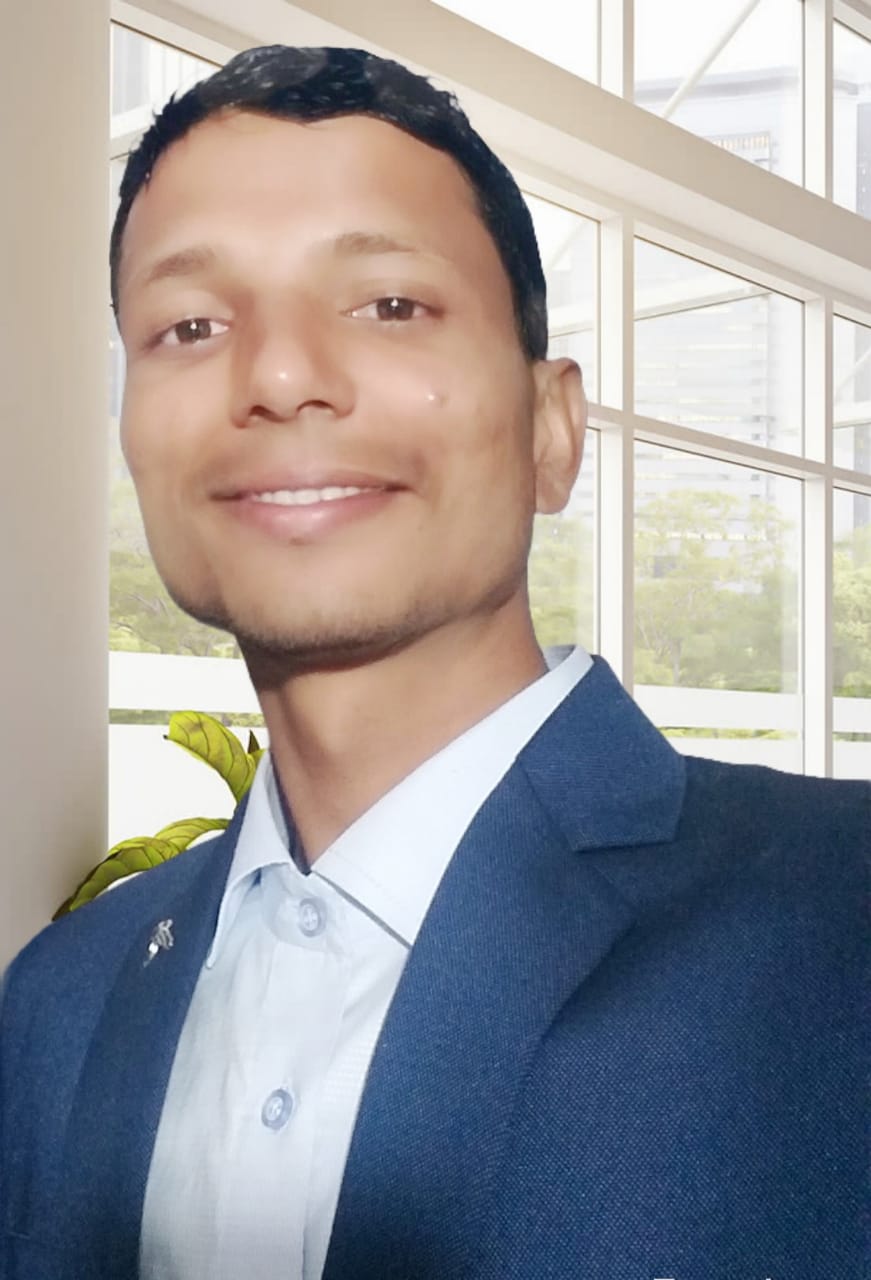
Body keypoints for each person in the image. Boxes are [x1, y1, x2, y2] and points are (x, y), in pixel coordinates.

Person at [0, 45, 866, 1280]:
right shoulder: (56, 1001)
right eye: (190, 325)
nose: (279, 373)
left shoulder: (837, 921)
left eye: (389, 304)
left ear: (552, 429)